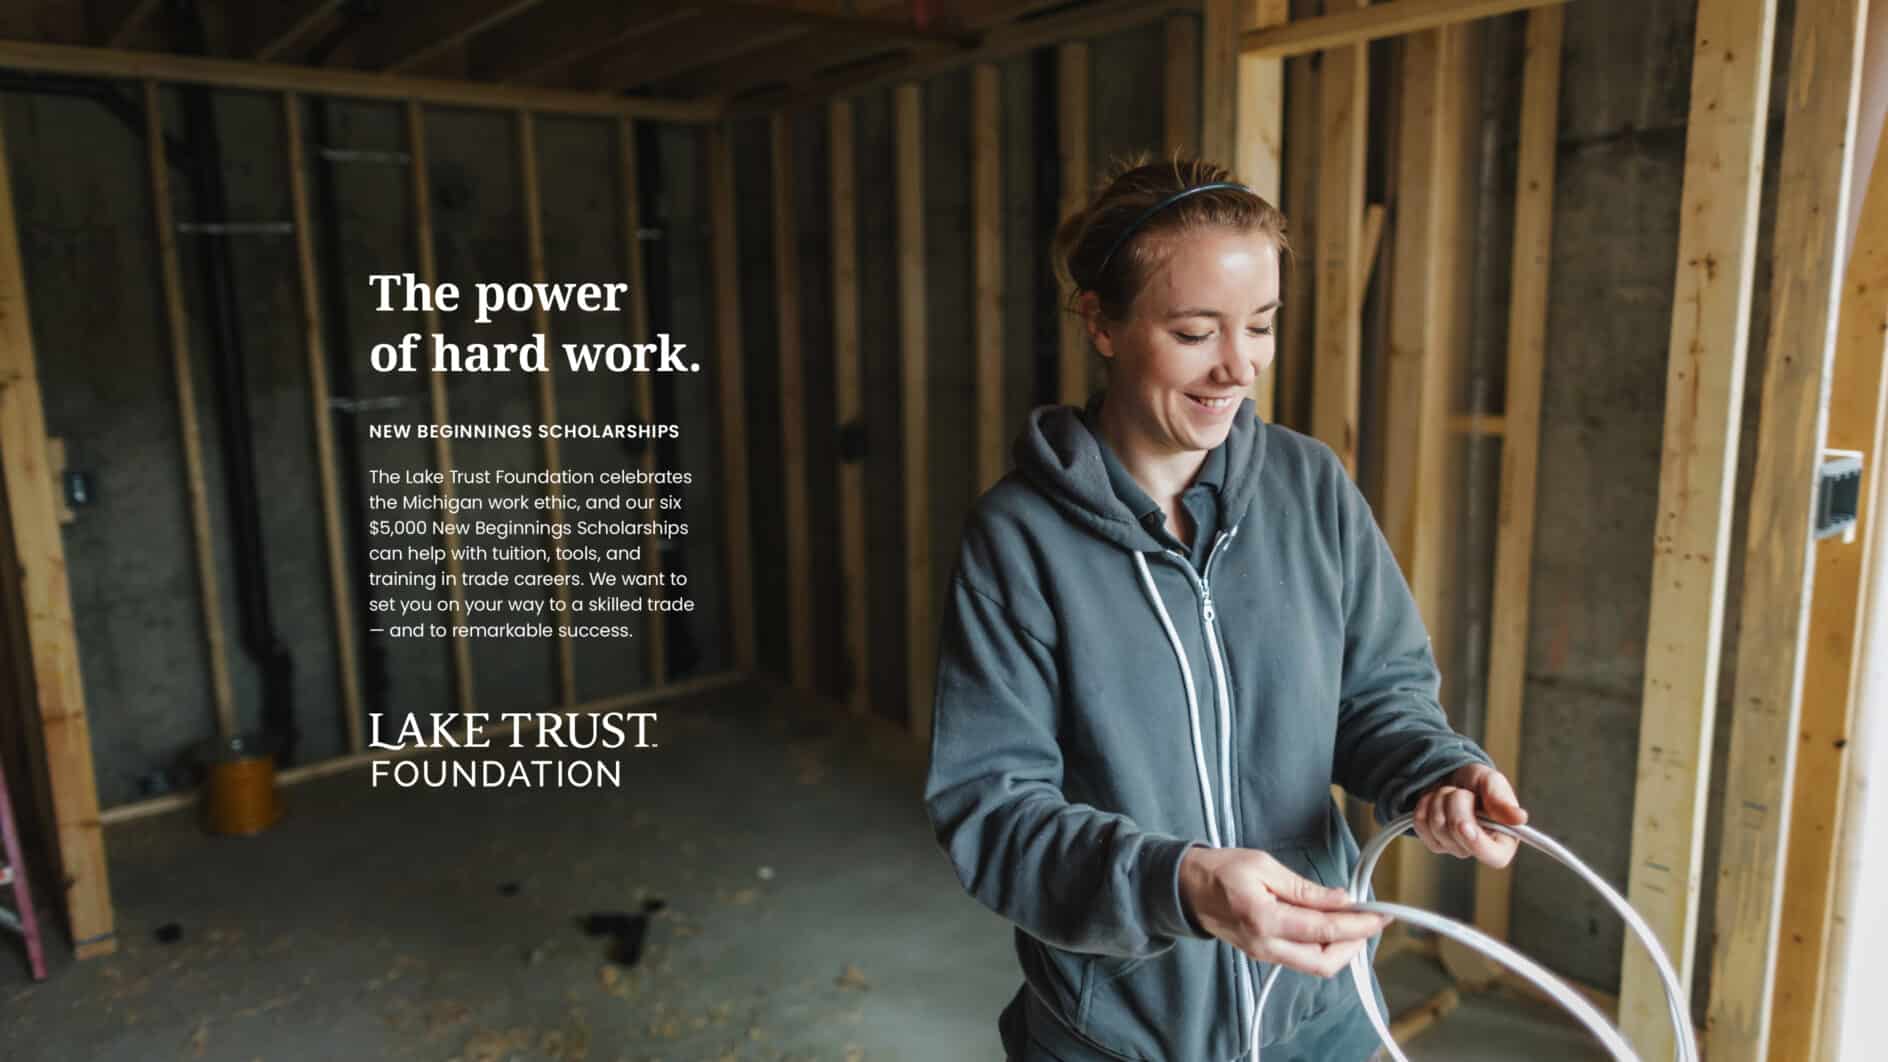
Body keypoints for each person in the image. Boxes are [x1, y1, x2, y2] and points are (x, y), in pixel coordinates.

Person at [921, 156, 1530, 1062]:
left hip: (1320, 1015)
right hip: (1117, 1035)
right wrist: (1180, 883)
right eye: (1196, 330)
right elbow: (994, 811)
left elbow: (1378, 698)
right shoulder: (1020, 540)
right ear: (1103, 322)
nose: (1237, 367)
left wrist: (1437, 774)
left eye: (1261, 325)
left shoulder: (1311, 487)